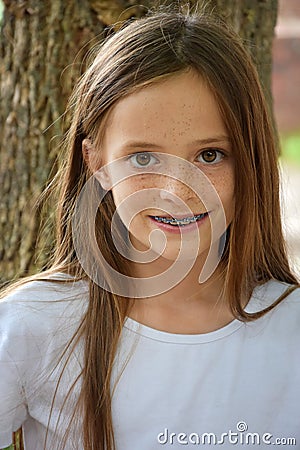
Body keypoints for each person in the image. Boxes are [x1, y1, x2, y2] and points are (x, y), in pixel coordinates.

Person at [0, 5, 299, 450]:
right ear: (96, 164)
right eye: (143, 157)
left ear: (250, 161)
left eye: (210, 155)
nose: (177, 188)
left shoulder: (290, 327)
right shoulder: (35, 325)